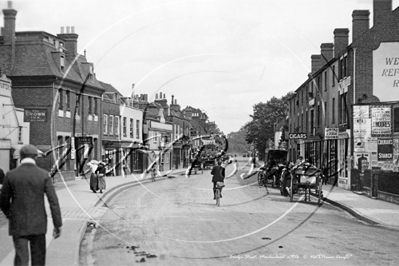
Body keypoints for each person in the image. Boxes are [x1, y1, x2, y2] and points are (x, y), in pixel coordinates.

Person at [0, 144, 62, 266]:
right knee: (38, 259)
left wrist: (10, 215)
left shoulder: (11, 175)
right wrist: (57, 224)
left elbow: (3, 201)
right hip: (38, 224)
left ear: (21, 157)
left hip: (18, 223)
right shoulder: (43, 175)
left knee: (21, 258)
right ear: (36, 157)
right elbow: (53, 202)